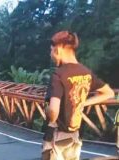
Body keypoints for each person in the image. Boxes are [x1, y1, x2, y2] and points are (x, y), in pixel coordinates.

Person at [42, 30, 115, 160]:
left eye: (51, 50)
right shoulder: (86, 72)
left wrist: (47, 109)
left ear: (58, 49)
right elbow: (108, 93)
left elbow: (53, 112)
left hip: (57, 136)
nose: (50, 55)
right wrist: (84, 103)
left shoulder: (58, 75)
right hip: (75, 136)